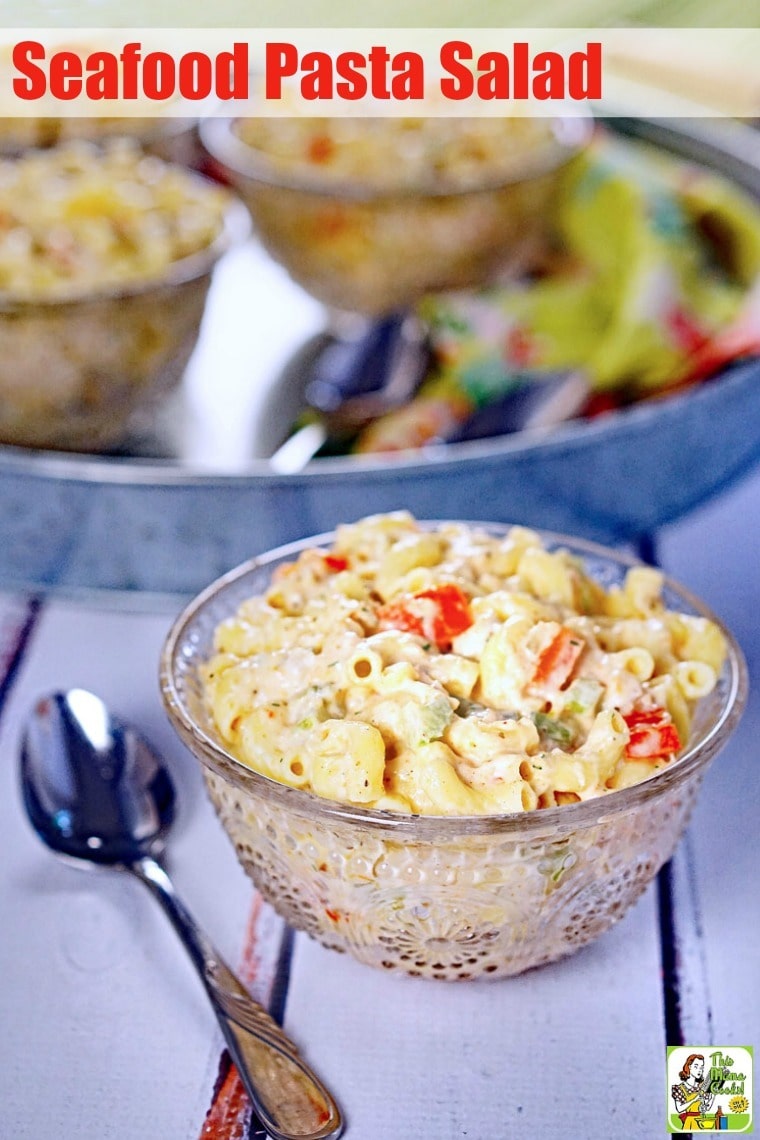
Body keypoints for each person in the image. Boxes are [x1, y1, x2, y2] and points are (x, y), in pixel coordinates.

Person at [671, 1054, 715, 1130]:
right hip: (689, 1123)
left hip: (701, 1122)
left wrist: (713, 1094)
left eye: (701, 1068)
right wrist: (694, 1099)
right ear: (689, 1066)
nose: (699, 1070)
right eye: (696, 1066)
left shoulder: (701, 1087)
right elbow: (679, 1109)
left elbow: (706, 1108)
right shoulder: (679, 1088)